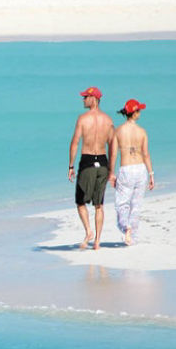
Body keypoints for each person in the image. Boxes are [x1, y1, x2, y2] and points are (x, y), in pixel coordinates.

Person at [68, 87, 114, 250]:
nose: (83, 100)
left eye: (86, 97)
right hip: (102, 162)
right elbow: (112, 146)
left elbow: (75, 143)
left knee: (80, 201)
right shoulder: (108, 120)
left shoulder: (83, 119)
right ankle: (97, 241)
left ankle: (89, 231)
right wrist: (112, 170)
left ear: (93, 98)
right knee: (99, 204)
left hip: (87, 161)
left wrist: (71, 165)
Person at [110, 99, 155, 246]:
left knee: (121, 204)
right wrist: (151, 174)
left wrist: (111, 172)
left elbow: (114, 154)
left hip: (126, 169)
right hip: (141, 169)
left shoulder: (118, 131)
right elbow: (146, 154)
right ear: (134, 113)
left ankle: (126, 227)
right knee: (136, 205)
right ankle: (132, 237)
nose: (140, 112)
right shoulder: (142, 132)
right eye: (139, 110)